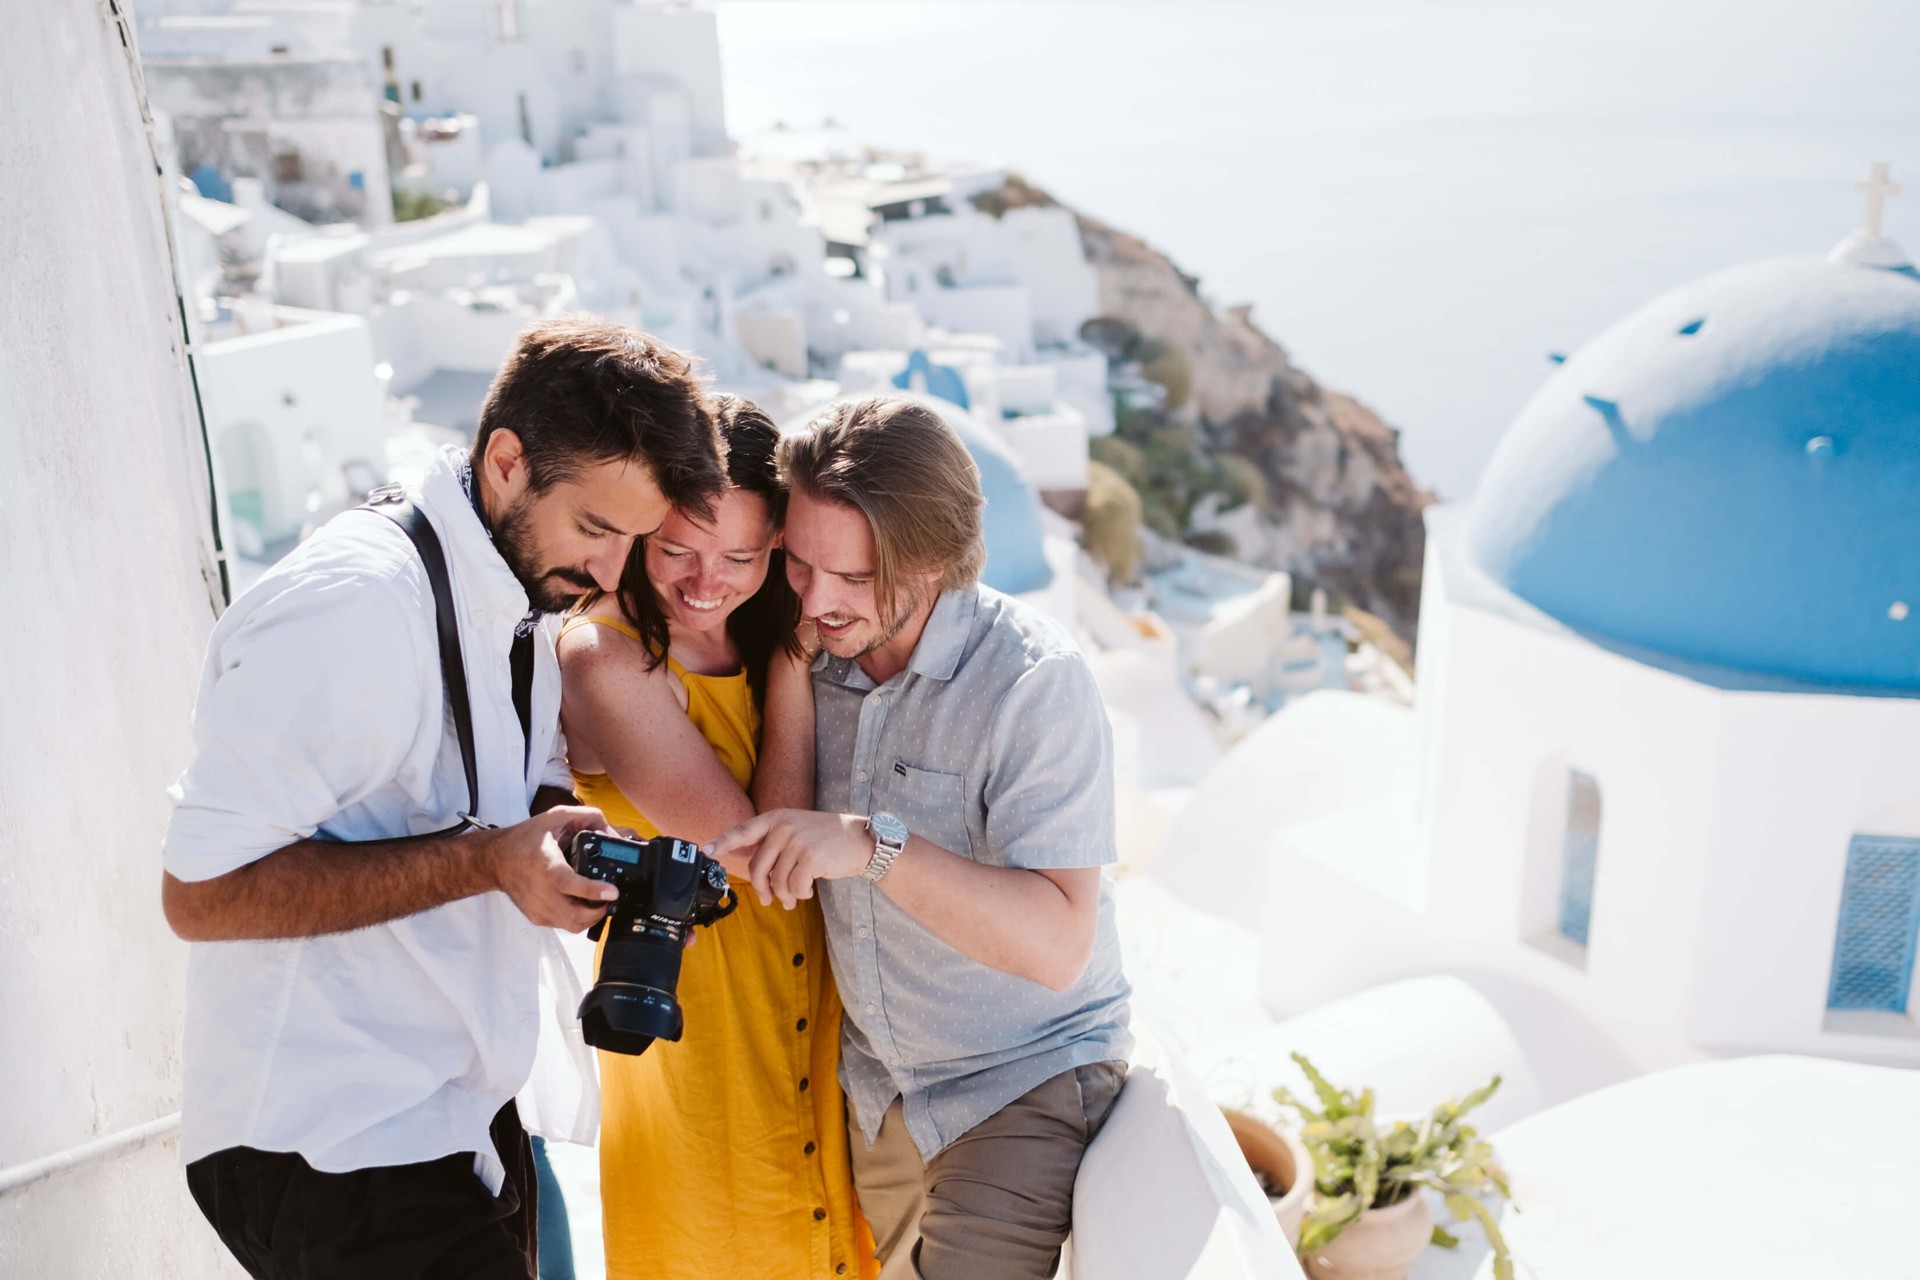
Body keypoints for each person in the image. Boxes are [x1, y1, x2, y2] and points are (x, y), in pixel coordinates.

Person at [160, 318, 726, 1280]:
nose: (609, 575)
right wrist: (487, 862)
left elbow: (510, 801)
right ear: (506, 461)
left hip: (449, 1115)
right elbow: (201, 892)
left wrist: (579, 858)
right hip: (326, 1135)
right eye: (595, 528)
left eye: (632, 542)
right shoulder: (358, 603)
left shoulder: (513, 595)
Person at [709, 395, 1135, 1280]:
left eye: (854, 578)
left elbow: (1059, 945)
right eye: (801, 564)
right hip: (881, 1097)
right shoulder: (813, 641)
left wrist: (874, 845)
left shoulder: (1032, 684)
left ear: (935, 562)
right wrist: (791, 664)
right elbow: (780, 853)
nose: (819, 599)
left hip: (1022, 1080)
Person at [556, 394, 876, 1280]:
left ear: (779, 541)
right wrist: (790, 667)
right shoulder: (605, 654)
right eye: (677, 551)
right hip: (698, 1041)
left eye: (740, 555)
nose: (707, 583)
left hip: (819, 1020)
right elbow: (759, 855)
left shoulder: (758, 631)